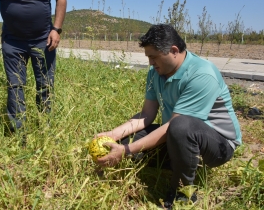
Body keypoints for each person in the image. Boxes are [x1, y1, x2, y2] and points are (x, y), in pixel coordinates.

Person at [94, 24, 242, 209]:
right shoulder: (156, 72)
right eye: (148, 57)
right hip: (177, 135)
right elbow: (147, 114)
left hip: (218, 146)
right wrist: (113, 135)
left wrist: (127, 150)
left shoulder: (202, 74)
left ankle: (185, 191)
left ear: (173, 50)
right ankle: (179, 161)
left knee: (180, 126)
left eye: (154, 57)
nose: (150, 63)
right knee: (128, 139)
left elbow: (174, 125)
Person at [0, 0, 67, 133]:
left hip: (44, 39)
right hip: (12, 42)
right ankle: (19, 135)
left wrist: (56, 29)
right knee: (15, 86)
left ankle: (45, 130)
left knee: (45, 86)